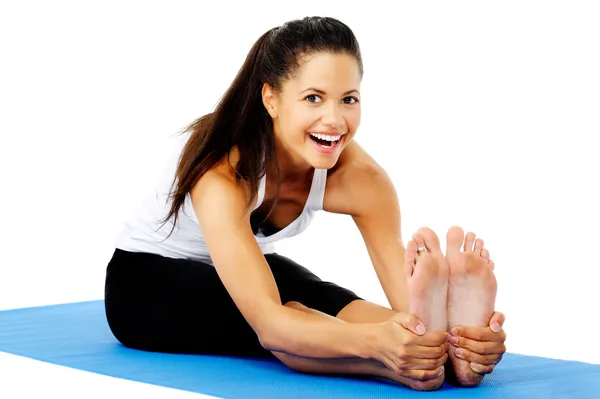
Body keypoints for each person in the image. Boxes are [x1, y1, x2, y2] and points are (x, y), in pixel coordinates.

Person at [104, 16, 506, 391]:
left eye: (348, 99)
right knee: (282, 324)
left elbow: (402, 288)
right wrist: (374, 343)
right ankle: (391, 365)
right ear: (272, 99)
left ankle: (447, 345)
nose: (334, 120)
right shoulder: (224, 171)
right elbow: (270, 323)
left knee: (325, 299)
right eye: (313, 98)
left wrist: (462, 339)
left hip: (245, 261)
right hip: (146, 282)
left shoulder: (363, 180)